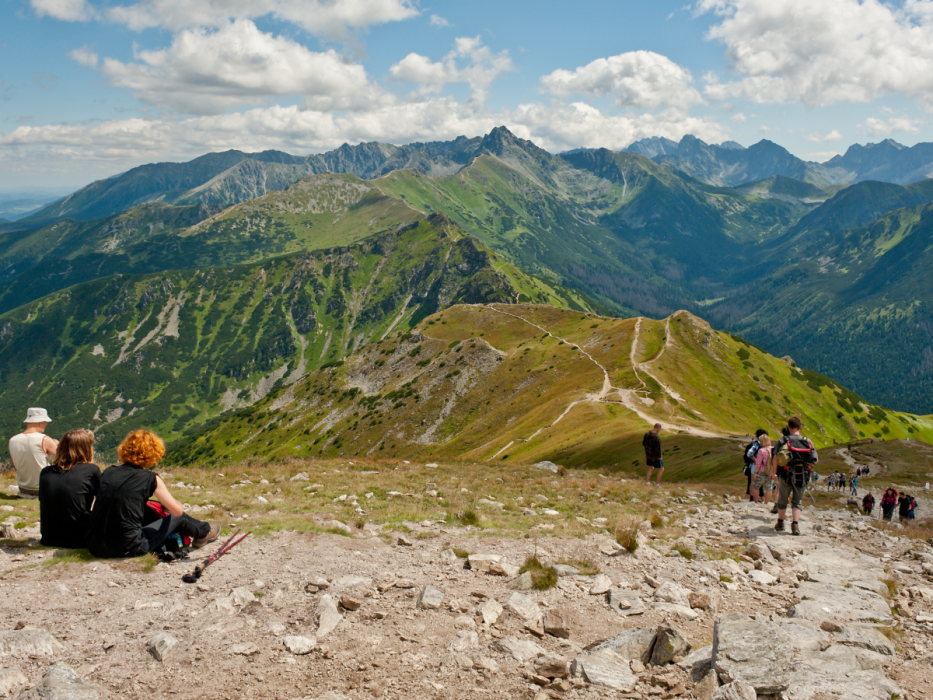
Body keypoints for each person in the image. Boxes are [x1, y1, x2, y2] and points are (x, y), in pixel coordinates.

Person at [87, 430, 218, 558]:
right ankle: (204, 532)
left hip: (95, 546)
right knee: (180, 517)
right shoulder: (150, 478)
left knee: (147, 508)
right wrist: (176, 504)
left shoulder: (109, 471)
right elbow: (177, 511)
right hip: (129, 547)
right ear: (153, 454)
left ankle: (201, 532)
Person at [38, 429, 101, 548]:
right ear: (87, 449)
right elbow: (104, 500)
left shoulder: (45, 472)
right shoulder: (91, 470)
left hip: (49, 538)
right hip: (79, 538)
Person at [770, 416, 818, 536]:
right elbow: (815, 460)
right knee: (797, 501)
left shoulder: (782, 440)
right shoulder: (808, 441)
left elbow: (775, 458)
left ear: (789, 427)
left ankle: (780, 523)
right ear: (800, 427)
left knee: (783, 499)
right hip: (802, 476)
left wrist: (773, 472)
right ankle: (795, 526)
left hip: (785, 474)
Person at [7, 408, 59, 499]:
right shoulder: (44, 439)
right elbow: (65, 459)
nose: (46, 424)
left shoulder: (12, 440)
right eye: (45, 422)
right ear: (40, 423)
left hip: (23, 488)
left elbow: (15, 466)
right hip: (43, 488)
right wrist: (58, 445)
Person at [751, 433, 773, 505]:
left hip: (762, 470)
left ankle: (756, 502)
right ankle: (766, 503)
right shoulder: (773, 449)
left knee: (756, 486)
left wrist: (756, 472)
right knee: (769, 488)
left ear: (763, 441)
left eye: (761, 441)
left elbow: (758, 463)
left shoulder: (761, 450)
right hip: (770, 471)